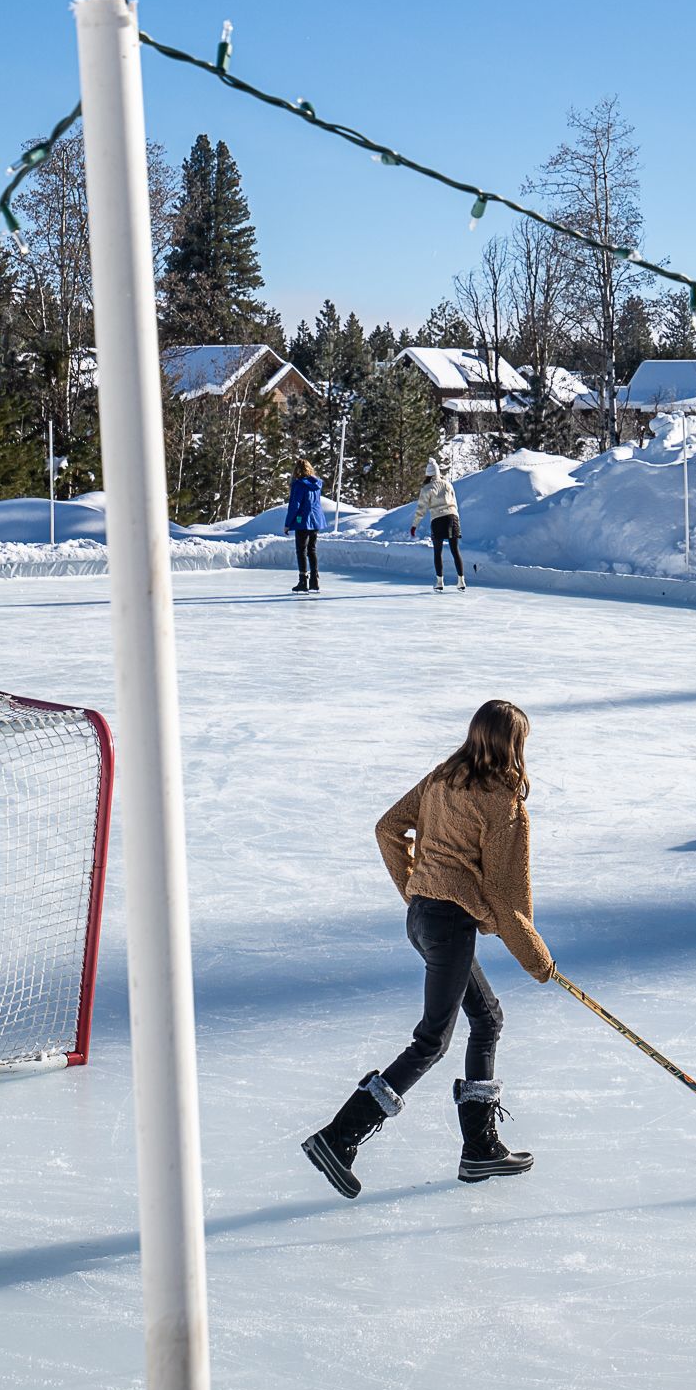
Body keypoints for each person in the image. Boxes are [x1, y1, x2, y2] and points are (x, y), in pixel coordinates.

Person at [303, 699, 552, 1197]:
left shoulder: (443, 778)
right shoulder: (502, 803)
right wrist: (538, 960)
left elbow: (387, 828)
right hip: (449, 923)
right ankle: (339, 1136)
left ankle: (480, 1149)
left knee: (487, 1019)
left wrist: (419, 888)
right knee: (432, 1041)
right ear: (513, 745)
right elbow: (507, 895)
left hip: (422, 918)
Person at [417, 458, 466, 591]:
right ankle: (461, 581)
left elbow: (421, 508)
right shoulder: (448, 484)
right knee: (455, 550)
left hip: (437, 519)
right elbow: (454, 502)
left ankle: (439, 583)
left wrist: (415, 524)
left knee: (438, 552)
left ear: (428, 474)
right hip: (452, 517)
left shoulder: (427, 488)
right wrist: (455, 518)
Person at [287, 459, 329, 594]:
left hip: (303, 521)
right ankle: (314, 581)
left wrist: (288, 524)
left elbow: (295, 505)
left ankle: (303, 581)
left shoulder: (299, 485)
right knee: (312, 550)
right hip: (316, 520)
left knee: (301, 551)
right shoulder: (316, 484)